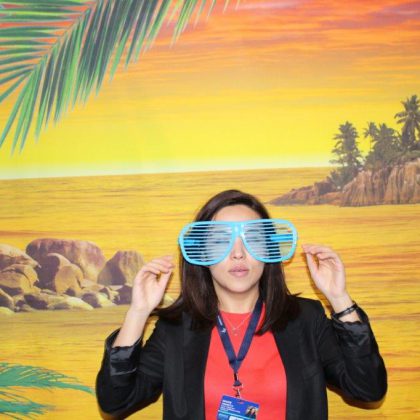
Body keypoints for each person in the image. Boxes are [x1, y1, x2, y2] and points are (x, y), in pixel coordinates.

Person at [96, 189, 387, 419]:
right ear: (202, 254)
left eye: (252, 239)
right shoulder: (176, 329)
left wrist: (339, 299)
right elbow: (115, 402)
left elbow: (368, 389)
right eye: (221, 240)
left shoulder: (305, 319)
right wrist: (138, 312)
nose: (238, 253)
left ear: (268, 250)